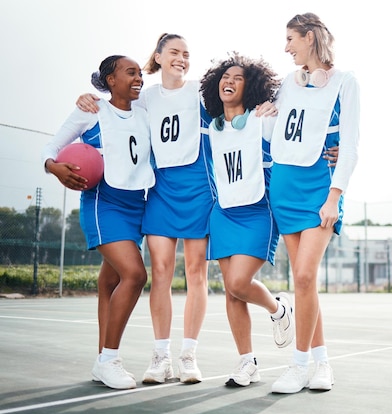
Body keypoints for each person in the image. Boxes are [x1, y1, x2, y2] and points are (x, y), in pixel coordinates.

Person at [76, 34, 277, 385]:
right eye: (174, 52)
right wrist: (90, 98)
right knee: (162, 273)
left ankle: (188, 356)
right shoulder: (146, 97)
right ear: (159, 56)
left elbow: (240, 104)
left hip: (200, 190)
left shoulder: (202, 92)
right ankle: (160, 356)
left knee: (196, 272)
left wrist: (266, 110)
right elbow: (116, 106)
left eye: (186, 54)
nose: (181, 58)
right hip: (160, 191)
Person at [42, 55, 155, 390]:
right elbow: (52, 145)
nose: (138, 78)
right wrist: (53, 166)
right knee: (135, 275)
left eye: (139, 73)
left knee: (110, 282)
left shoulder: (145, 114)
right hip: (104, 203)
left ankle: (100, 360)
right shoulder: (92, 111)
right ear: (110, 79)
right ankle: (109, 359)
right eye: (130, 73)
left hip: (137, 204)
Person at [268, 12, 360, 394]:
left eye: (291, 38)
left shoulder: (345, 82)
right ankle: (321, 363)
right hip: (284, 186)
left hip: (320, 188)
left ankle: (298, 365)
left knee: (304, 277)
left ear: (309, 38)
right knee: (303, 284)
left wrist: (334, 198)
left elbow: (351, 146)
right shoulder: (285, 84)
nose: (286, 47)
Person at [199, 52, 296, 387]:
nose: (230, 81)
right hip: (223, 213)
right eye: (225, 77)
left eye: (238, 78)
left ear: (250, 86)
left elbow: (296, 121)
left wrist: (334, 148)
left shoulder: (262, 119)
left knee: (240, 283)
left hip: (257, 211)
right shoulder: (212, 128)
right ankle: (247, 362)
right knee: (231, 292)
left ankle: (279, 309)